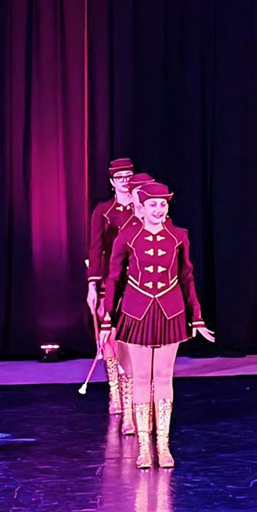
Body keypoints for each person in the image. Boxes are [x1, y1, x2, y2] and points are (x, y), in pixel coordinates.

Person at [100, 175, 213, 468]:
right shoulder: (127, 236)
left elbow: (187, 277)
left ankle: (163, 445)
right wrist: (107, 319)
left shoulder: (179, 236)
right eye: (152, 205)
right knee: (141, 378)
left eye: (162, 204)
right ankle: (143, 448)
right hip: (136, 312)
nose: (158, 210)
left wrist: (197, 317)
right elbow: (113, 279)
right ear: (141, 207)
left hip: (170, 311)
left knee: (163, 377)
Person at [88, 158, 146, 427]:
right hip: (110, 279)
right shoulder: (104, 211)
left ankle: (132, 392)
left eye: (128, 176)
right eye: (120, 178)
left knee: (132, 337)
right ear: (112, 182)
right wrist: (92, 284)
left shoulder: (143, 207)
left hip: (138, 278)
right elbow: (95, 249)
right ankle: (114, 392)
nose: (125, 181)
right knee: (110, 336)